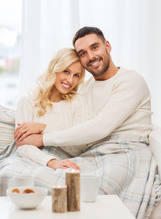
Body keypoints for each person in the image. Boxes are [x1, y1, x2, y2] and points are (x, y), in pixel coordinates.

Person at [15, 26, 153, 149]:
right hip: (94, 153)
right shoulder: (87, 88)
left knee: (72, 176)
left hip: (126, 149)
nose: (91, 56)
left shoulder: (130, 81)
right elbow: (77, 129)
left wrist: (42, 136)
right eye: (83, 53)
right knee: (66, 176)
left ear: (108, 46)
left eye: (94, 47)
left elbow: (100, 127)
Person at [14, 47, 89, 170]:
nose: (70, 80)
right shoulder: (27, 102)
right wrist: (52, 162)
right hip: (33, 161)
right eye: (66, 71)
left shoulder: (78, 102)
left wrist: (43, 128)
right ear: (54, 69)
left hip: (67, 161)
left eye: (76, 75)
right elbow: (22, 145)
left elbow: (79, 147)